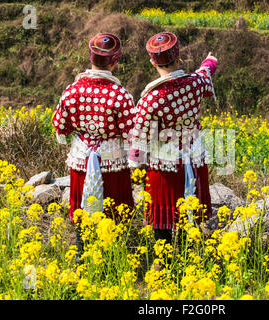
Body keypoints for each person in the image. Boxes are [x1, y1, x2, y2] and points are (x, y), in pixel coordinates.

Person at [128, 31, 217, 244]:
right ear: (178, 57)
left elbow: (140, 139)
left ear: (153, 62)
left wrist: (135, 165)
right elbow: (206, 71)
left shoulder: (151, 99)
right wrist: (211, 59)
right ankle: (188, 261)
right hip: (193, 161)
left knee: (163, 222)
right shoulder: (196, 84)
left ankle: (165, 264)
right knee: (190, 219)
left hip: (163, 168)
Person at [52, 33, 135, 260]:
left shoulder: (72, 91)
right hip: (112, 161)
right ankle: (113, 258)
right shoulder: (120, 95)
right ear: (114, 61)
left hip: (82, 159)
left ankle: (82, 254)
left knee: (81, 209)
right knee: (114, 208)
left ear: (90, 58)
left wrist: (77, 135)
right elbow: (132, 134)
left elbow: (60, 128)